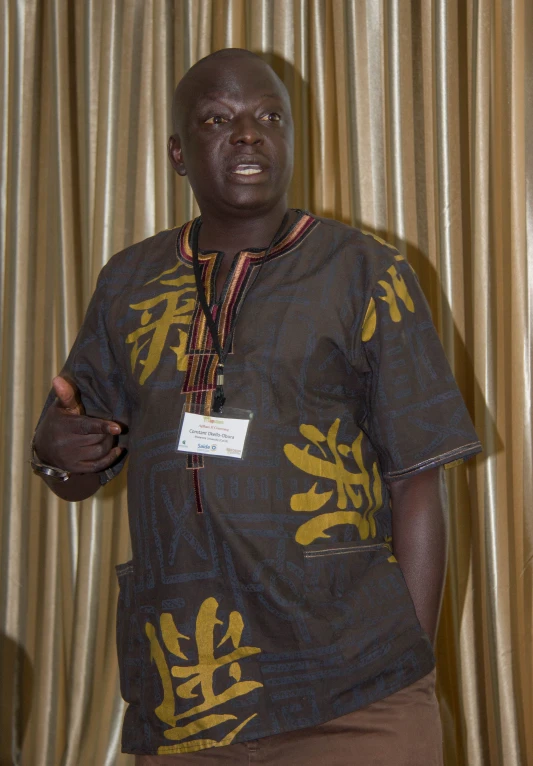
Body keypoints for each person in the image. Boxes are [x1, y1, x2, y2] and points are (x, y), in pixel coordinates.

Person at [33, 49, 481, 765]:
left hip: (355, 693)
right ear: (179, 154)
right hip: (188, 694)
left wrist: (410, 662)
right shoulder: (128, 282)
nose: (248, 135)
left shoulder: (366, 273)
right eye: (219, 120)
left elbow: (417, 477)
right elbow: (77, 462)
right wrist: (55, 459)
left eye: (268, 117)